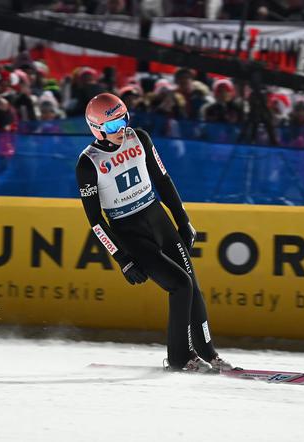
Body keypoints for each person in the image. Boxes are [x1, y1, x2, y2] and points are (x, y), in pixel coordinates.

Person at [75, 93, 233, 373]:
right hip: (130, 232)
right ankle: (179, 358)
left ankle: (209, 353)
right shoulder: (88, 163)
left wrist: (183, 221)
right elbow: (95, 220)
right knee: (180, 286)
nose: (121, 130)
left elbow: (162, 179)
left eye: (123, 121)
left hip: (157, 218)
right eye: (112, 127)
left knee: (193, 288)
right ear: (97, 128)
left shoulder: (140, 138)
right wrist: (122, 258)